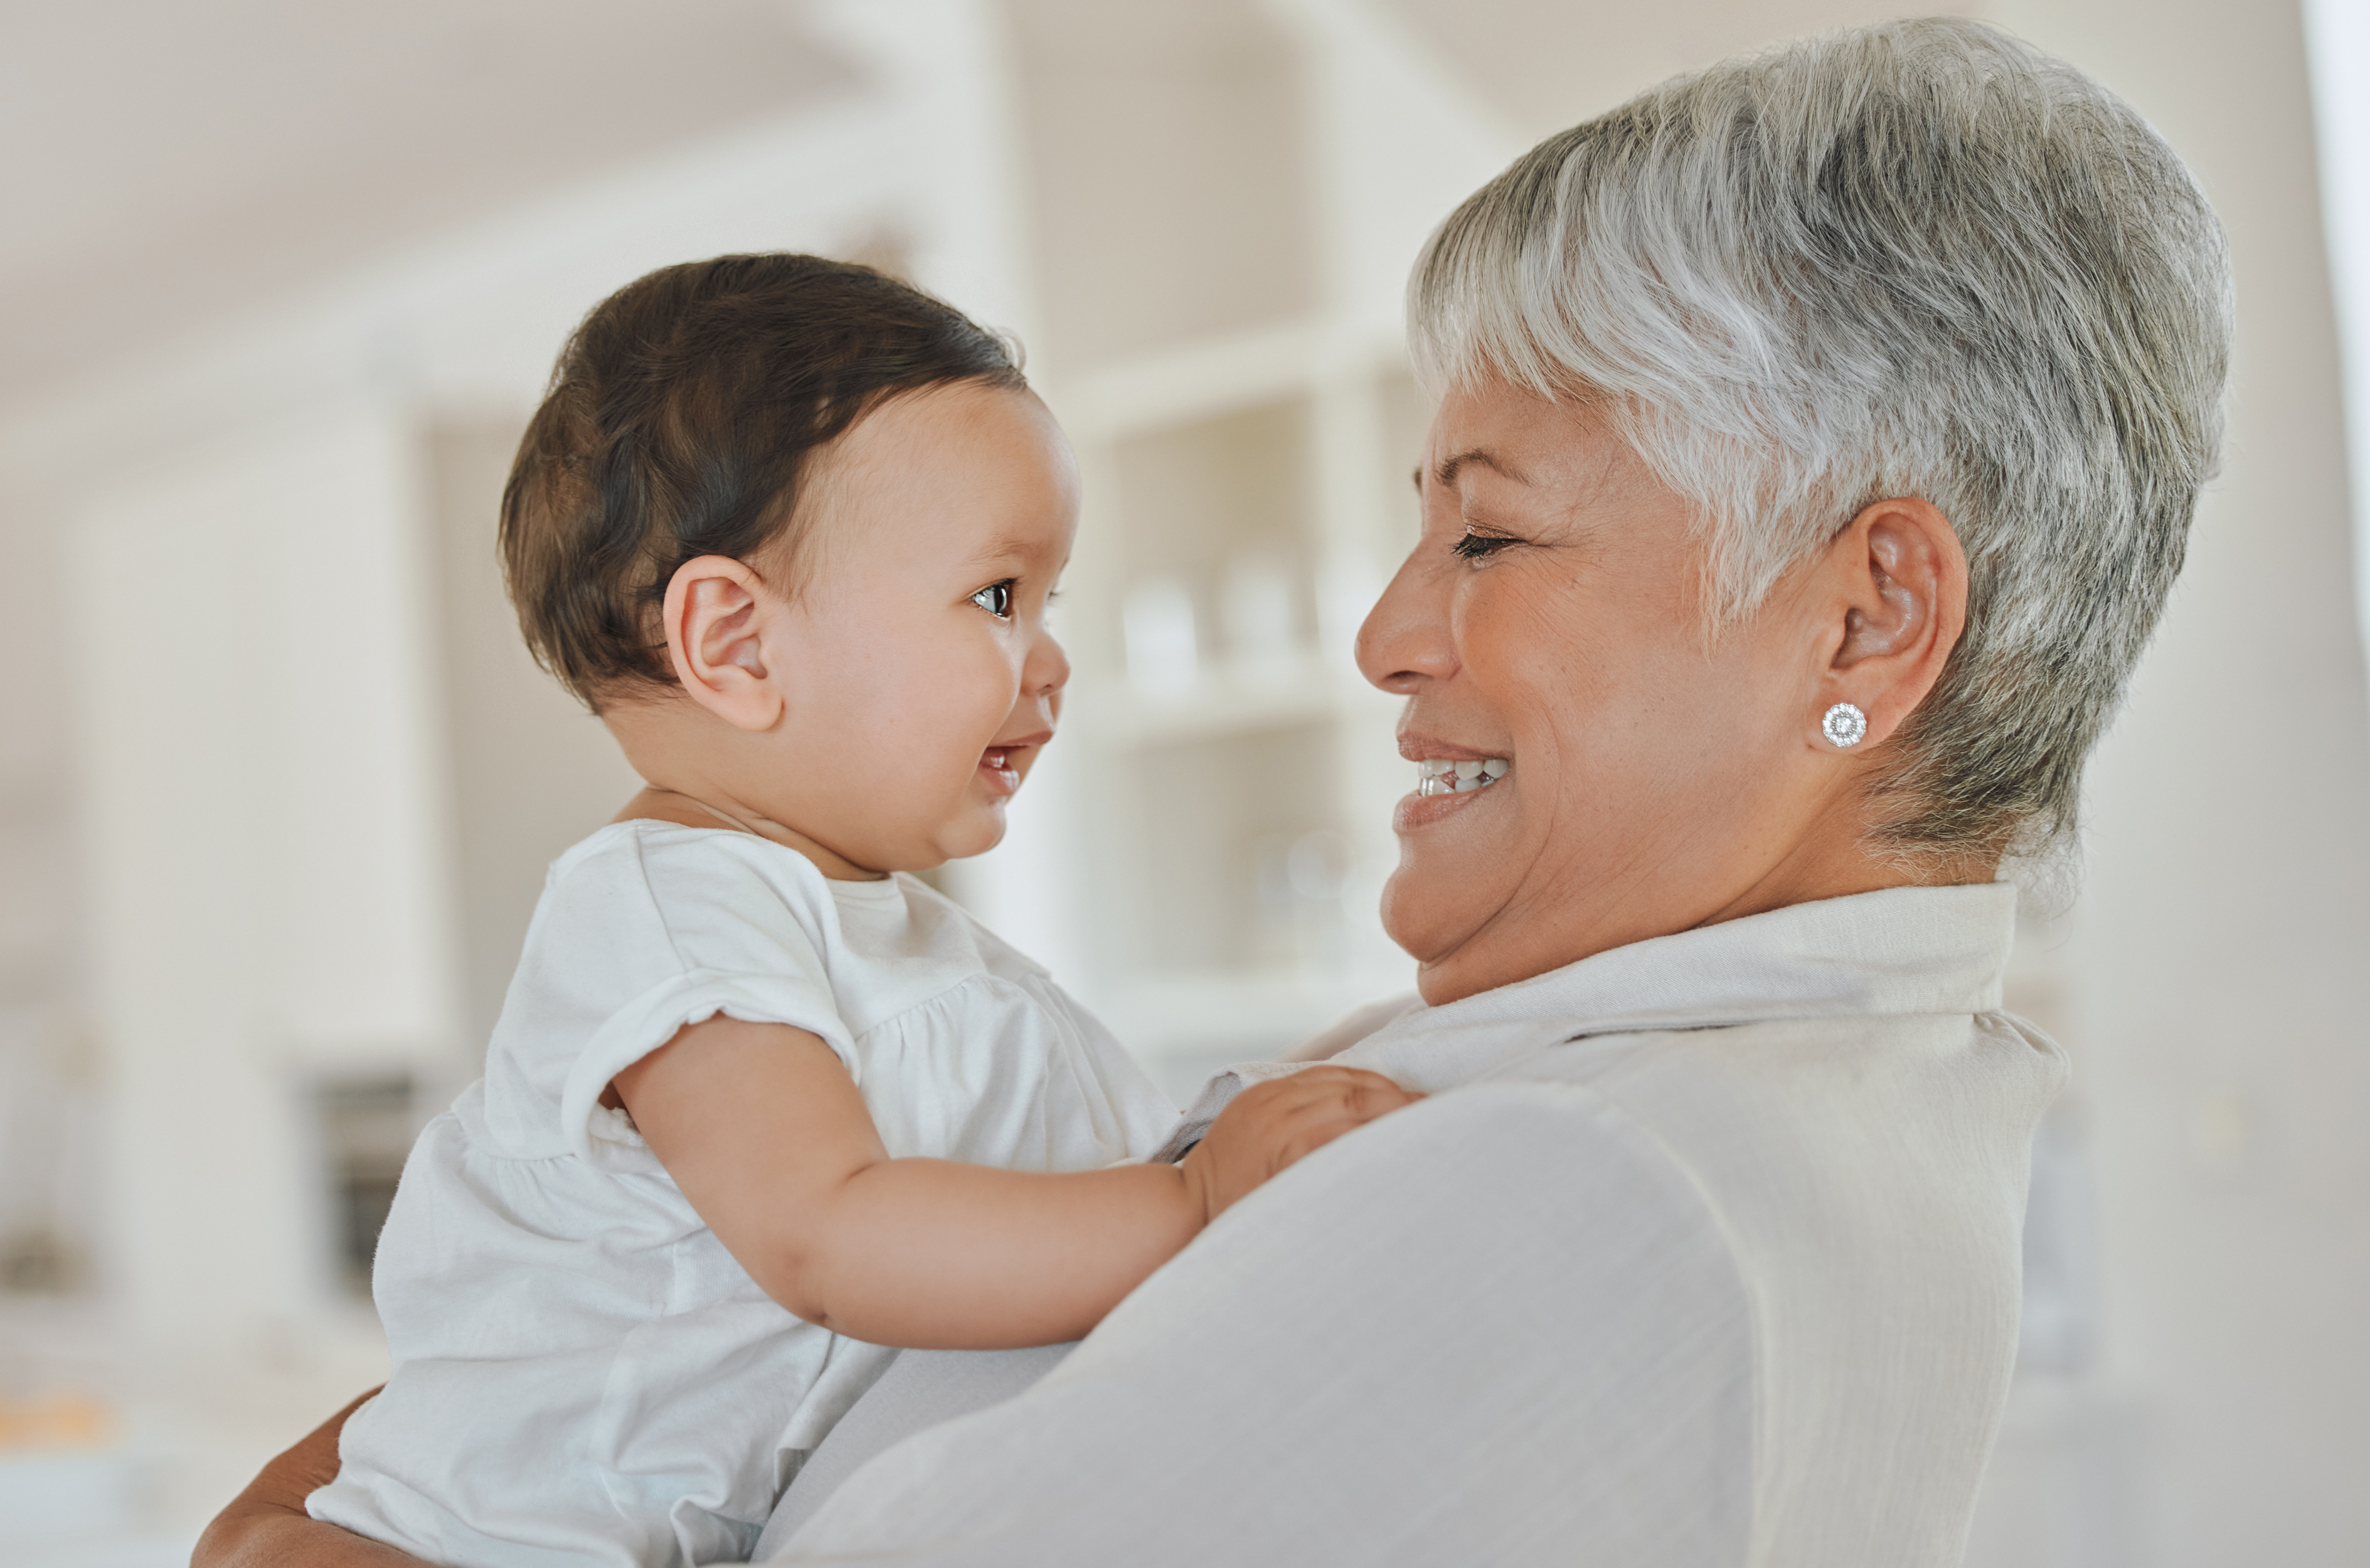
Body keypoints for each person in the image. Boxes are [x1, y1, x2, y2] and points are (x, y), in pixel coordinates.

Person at [197, 16, 2231, 1566]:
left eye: (1487, 540)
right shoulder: (1770, 1109)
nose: (1380, 637)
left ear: (1864, 620)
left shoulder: (1596, 1197)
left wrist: (268, 1537)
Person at [297, 255, 1417, 1568]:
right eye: (999, 596)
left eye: (1049, 598)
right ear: (737, 644)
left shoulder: (864, 924)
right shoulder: (674, 910)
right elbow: (829, 1231)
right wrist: (1191, 1198)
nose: (1049, 656)